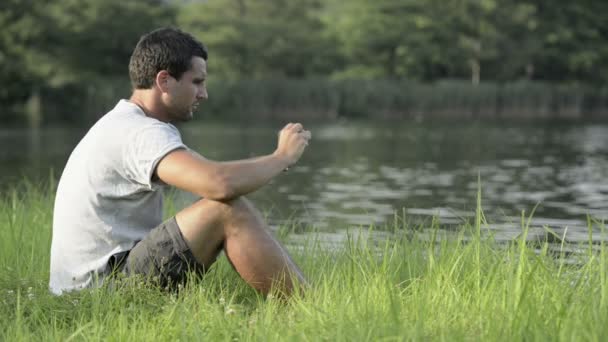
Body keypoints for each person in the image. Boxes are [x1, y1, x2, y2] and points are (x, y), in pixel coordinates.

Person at [49, 27, 310, 296]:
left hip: (86, 287)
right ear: (164, 81)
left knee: (215, 203)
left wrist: (269, 163)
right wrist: (281, 157)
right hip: (101, 290)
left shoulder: (124, 123)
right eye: (197, 82)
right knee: (226, 209)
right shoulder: (140, 132)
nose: (203, 94)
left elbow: (208, 173)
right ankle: (307, 309)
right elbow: (219, 183)